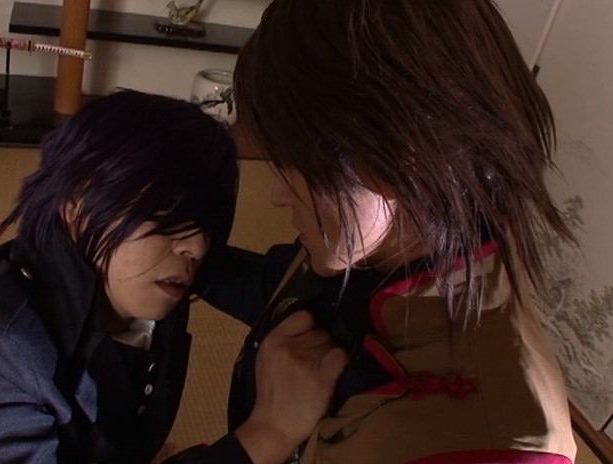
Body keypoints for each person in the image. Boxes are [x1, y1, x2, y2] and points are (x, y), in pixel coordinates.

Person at [0, 90, 348, 464]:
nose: (195, 246)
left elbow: (274, 285)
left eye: (204, 222)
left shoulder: (140, 265)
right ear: (78, 203)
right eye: (168, 216)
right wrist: (264, 437)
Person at [202, 1, 580, 463]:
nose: (278, 194)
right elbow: (282, 289)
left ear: (397, 162)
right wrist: (187, 263)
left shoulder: (490, 449)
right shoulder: (379, 235)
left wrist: (265, 436)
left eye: (292, 164)